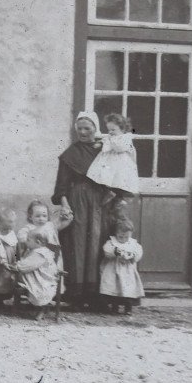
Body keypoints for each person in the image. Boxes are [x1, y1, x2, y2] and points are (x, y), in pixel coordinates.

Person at [52, 111, 114, 309]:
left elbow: (117, 174)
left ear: (96, 129)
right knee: (77, 243)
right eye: (79, 129)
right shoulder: (71, 153)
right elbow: (61, 184)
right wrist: (65, 204)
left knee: (98, 240)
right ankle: (77, 295)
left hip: (99, 201)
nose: (83, 132)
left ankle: (97, 295)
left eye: (87, 128)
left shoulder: (104, 151)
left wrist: (112, 196)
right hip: (77, 199)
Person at [9, 227, 63, 319]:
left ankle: (42, 308)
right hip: (39, 277)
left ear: (37, 242)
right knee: (25, 283)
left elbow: (28, 264)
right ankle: (40, 308)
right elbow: (27, 262)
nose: (26, 242)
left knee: (35, 289)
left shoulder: (39, 253)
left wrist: (17, 266)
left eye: (28, 240)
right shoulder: (35, 251)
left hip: (44, 281)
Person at [88, 112, 140, 205]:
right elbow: (104, 141)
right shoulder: (110, 137)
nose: (110, 132)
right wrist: (99, 143)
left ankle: (119, 198)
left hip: (120, 163)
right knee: (104, 177)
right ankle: (108, 192)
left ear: (123, 129)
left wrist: (111, 141)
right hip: (109, 162)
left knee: (119, 180)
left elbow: (120, 148)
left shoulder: (126, 138)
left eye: (113, 130)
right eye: (109, 130)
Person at [100, 218, 146, 314]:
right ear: (116, 233)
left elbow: (138, 252)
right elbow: (106, 250)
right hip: (114, 271)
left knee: (128, 289)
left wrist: (132, 255)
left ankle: (128, 308)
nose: (123, 239)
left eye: (126, 237)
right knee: (114, 288)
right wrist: (115, 252)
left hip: (128, 272)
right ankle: (114, 307)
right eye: (120, 237)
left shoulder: (133, 243)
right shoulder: (112, 242)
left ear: (130, 234)